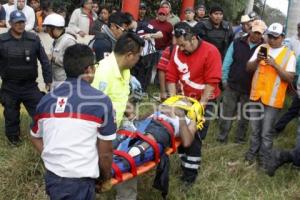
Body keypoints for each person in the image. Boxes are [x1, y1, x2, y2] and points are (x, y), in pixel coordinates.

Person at [30, 44, 116, 199]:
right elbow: (106, 153)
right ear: (89, 69)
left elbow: (35, 136)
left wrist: (53, 156)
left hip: (53, 178)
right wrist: (105, 178)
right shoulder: (101, 101)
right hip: (80, 182)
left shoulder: (46, 100)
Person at [166, 22, 222, 184]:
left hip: (206, 100)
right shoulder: (177, 50)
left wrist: (199, 108)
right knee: (182, 134)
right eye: (178, 45)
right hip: (184, 99)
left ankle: (190, 176)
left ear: (193, 38)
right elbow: (171, 76)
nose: (180, 48)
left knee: (194, 136)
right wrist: (172, 101)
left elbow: (212, 83)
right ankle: (185, 165)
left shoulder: (211, 51)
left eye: (183, 44)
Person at [91, 32, 144, 200]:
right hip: (99, 133)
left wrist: (128, 109)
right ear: (129, 55)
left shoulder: (124, 70)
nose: (139, 60)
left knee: (129, 160)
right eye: (138, 56)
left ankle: (126, 197)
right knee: (95, 173)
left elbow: (119, 95)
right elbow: (92, 109)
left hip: (117, 125)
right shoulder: (102, 73)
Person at [244, 23, 296, 171]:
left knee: (266, 133)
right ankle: (251, 155)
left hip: (272, 101)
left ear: (282, 37)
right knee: (254, 130)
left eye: (275, 37)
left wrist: (275, 65)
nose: (271, 40)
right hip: (256, 97)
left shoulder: (289, 55)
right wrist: (256, 61)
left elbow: (289, 78)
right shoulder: (262, 49)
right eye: (269, 36)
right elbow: (248, 68)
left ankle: (264, 160)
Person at [0, 10, 52, 145]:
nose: (20, 25)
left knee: (41, 112)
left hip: (29, 86)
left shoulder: (33, 39)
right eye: (17, 23)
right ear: (11, 23)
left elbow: (44, 60)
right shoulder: (2, 41)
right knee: (11, 115)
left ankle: (44, 137)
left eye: (22, 22)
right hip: (9, 86)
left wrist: (48, 80)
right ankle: (13, 141)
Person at [217, 20, 266, 144]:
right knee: (227, 114)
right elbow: (227, 61)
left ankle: (239, 140)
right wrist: (224, 79)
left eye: (260, 33)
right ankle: (222, 138)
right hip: (232, 84)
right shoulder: (237, 42)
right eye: (255, 32)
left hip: (250, 89)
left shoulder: (264, 48)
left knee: (245, 116)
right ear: (249, 30)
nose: (257, 36)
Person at [272, 22, 300, 134]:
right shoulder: (290, 40)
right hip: (290, 74)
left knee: (293, 110)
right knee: (293, 110)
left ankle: (277, 128)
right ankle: (276, 128)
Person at [43, 13, 77, 85]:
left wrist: (53, 58)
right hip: (56, 81)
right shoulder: (57, 40)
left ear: (54, 29)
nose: (48, 32)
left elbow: (72, 63)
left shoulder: (69, 41)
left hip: (65, 82)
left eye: (48, 29)